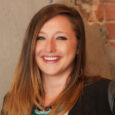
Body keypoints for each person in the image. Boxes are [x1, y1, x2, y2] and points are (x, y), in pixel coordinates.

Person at [1, 3, 115, 115]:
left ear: (78, 46)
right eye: (41, 38)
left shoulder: (105, 94)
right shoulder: (12, 101)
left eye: (61, 38)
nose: (49, 48)